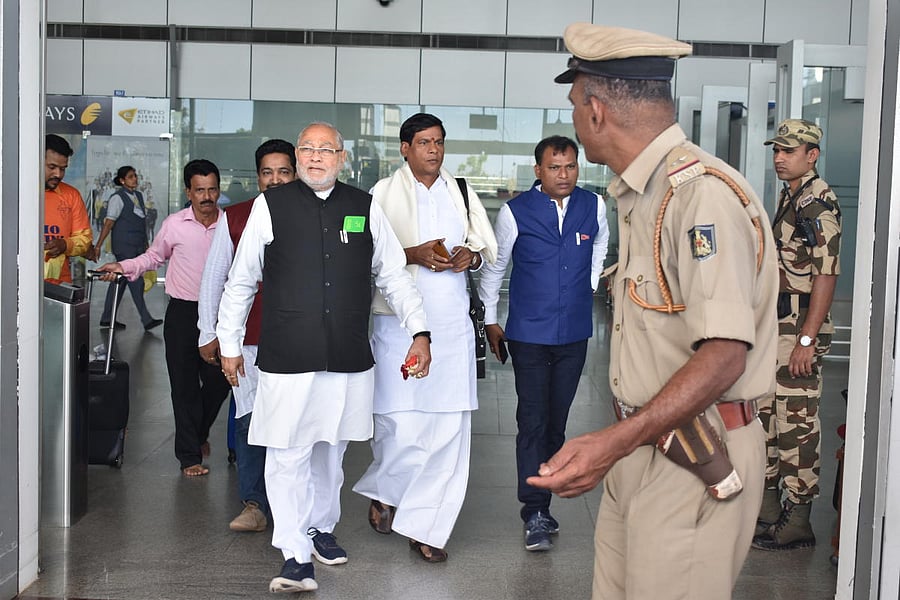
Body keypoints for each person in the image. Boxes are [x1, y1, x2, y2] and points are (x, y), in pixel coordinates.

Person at [527, 23, 779, 599]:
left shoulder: (700, 195)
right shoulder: (643, 193)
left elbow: (724, 355)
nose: (573, 120)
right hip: (645, 446)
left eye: (573, 106)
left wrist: (611, 442)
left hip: (696, 457)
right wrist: (621, 442)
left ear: (595, 111)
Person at [216, 122, 432, 594]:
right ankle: (293, 553)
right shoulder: (269, 207)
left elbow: (394, 276)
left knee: (331, 452)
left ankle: (319, 529)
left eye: (326, 149)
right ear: (298, 155)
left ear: (342, 157)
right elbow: (240, 279)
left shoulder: (363, 207)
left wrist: (419, 331)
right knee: (288, 453)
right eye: (308, 149)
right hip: (287, 355)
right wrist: (228, 343)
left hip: (346, 353)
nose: (316, 157)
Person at [352, 113, 498, 562]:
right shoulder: (381, 194)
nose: (433, 150)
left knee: (449, 430)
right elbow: (362, 253)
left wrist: (467, 258)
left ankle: (427, 527)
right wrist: (413, 254)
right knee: (402, 427)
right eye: (423, 142)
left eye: (439, 142)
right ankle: (385, 487)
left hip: (451, 325)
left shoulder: (461, 191)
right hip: (396, 324)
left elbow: (485, 251)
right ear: (404, 148)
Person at [478, 134, 608, 552]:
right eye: (555, 167)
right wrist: (491, 321)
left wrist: (587, 284)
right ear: (539, 171)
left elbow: (601, 244)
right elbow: (496, 268)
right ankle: (534, 510)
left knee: (557, 421)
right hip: (529, 335)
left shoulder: (594, 206)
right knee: (532, 419)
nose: (564, 174)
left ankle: (544, 498)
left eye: (570, 166)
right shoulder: (517, 212)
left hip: (574, 332)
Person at [97, 159, 232, 477]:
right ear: (189, 191)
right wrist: (123, 266)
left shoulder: (231, 225)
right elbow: (154, 256)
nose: (207, 196)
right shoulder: (174, 224)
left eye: (212, 189)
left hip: (221, 315)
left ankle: (197, 434)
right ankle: (189, 457)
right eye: (200, 190)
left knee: (219, 381)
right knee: (184, 386)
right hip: (183, 314)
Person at [197, 139, 298, 533]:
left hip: (299, 339)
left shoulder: (311, 216)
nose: (275, 180)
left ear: (296, 173)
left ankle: (293, 506)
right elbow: (213, 278)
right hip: (249, 339)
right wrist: (211, 333)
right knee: (249, 417)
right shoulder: (235, 217)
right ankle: (255, 503)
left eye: (283, 171)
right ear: (258, 177)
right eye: (267, 172)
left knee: (296, 423)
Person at [752, 119, 841, 551]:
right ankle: (770, 510)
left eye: (789, 151)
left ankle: (800, 518)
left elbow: (826, 274)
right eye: (777, 151)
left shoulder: (818, 204)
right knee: (767, 419)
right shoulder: (792, 197)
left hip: (797, 330)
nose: (780, 158)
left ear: (812, 155)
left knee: (798, 426)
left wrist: (807, 339)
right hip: (777, 328)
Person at [89, 165, 163, 331]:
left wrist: (145, 243)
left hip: (137, 244)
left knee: (119, 281)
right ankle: (146, 319)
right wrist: (98, 244)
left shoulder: (138, 195)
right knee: (135, 280)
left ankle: (107, 318)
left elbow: (141, 222)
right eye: (130, 176)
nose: (134, 179)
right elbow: (109, 223)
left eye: (135, 175)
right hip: (124, 245)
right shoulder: (118, 198)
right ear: (122, 180)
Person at [44, 134, 92, 284]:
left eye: (62, 169)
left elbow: (84, 239)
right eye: (52, 167)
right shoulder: (17, 193)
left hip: (58, 286)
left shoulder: (71, 195)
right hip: (17, 286)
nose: (58, 174)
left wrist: (65, 244)